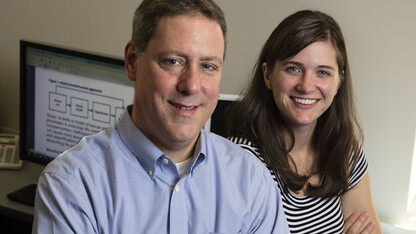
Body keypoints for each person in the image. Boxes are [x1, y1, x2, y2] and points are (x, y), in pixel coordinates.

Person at [32, 0, 290, 233]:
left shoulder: (251, 180)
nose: (191, 86)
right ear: (133, 61)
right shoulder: (72, 185)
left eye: (208, 66)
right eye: (173, 62)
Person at [228, 10, 382, 234]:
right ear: (267, 75)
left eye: (323, 72)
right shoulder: (241, 161)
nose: (307, 86)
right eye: (293, 68)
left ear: (339, 81)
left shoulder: (345, 152)